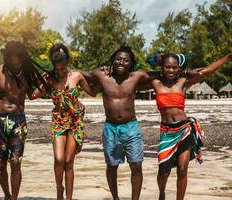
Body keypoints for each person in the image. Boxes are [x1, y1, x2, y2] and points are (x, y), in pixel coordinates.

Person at [146, 52, 232, 200]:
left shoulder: (183, 82)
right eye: (167, 67)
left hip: (184, 130)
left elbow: (208, 70)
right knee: (163, 172)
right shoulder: (155, 83)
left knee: (182, 169)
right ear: (161, 67)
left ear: (179, 68)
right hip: (167, 133)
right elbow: (134, 76)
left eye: (175, 67)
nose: (171, 70)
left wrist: (228, 57)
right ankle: (162, 193)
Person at [81, 45, 155, 200]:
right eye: (118, 59)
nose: (122, 62)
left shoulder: (136, 77)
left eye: (126, 60)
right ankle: (115, 198)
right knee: (112, 166)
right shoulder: (102, 76)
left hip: (131, 127)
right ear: (113, 61)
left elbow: (159, 75)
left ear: (131, 63)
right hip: (110, 128)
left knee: (136, 165)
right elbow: (82, 74)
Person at [0, 41, 49, 200]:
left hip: (18, 121)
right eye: (13, 63)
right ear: (7, 58)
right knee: (0, 165)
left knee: (16, 162)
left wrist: (46, 83)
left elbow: (32, 95)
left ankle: (14, 198)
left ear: (23, 60)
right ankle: (7, 195)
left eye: (19, 63)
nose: (16, 66)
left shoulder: (26, 74)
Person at [31, 43, 97, 200]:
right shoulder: (51, 79)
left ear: (67, 62)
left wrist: (102, 78)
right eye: (56, 69)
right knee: (59, 159)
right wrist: (43, 80)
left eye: (62, 68)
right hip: (59, 121)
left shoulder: (77, 76)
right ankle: (59, 189)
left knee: (68, 161)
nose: (59, 71)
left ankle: (68, 198)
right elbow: (33, 95)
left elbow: (93, 93)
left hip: (75, 121)